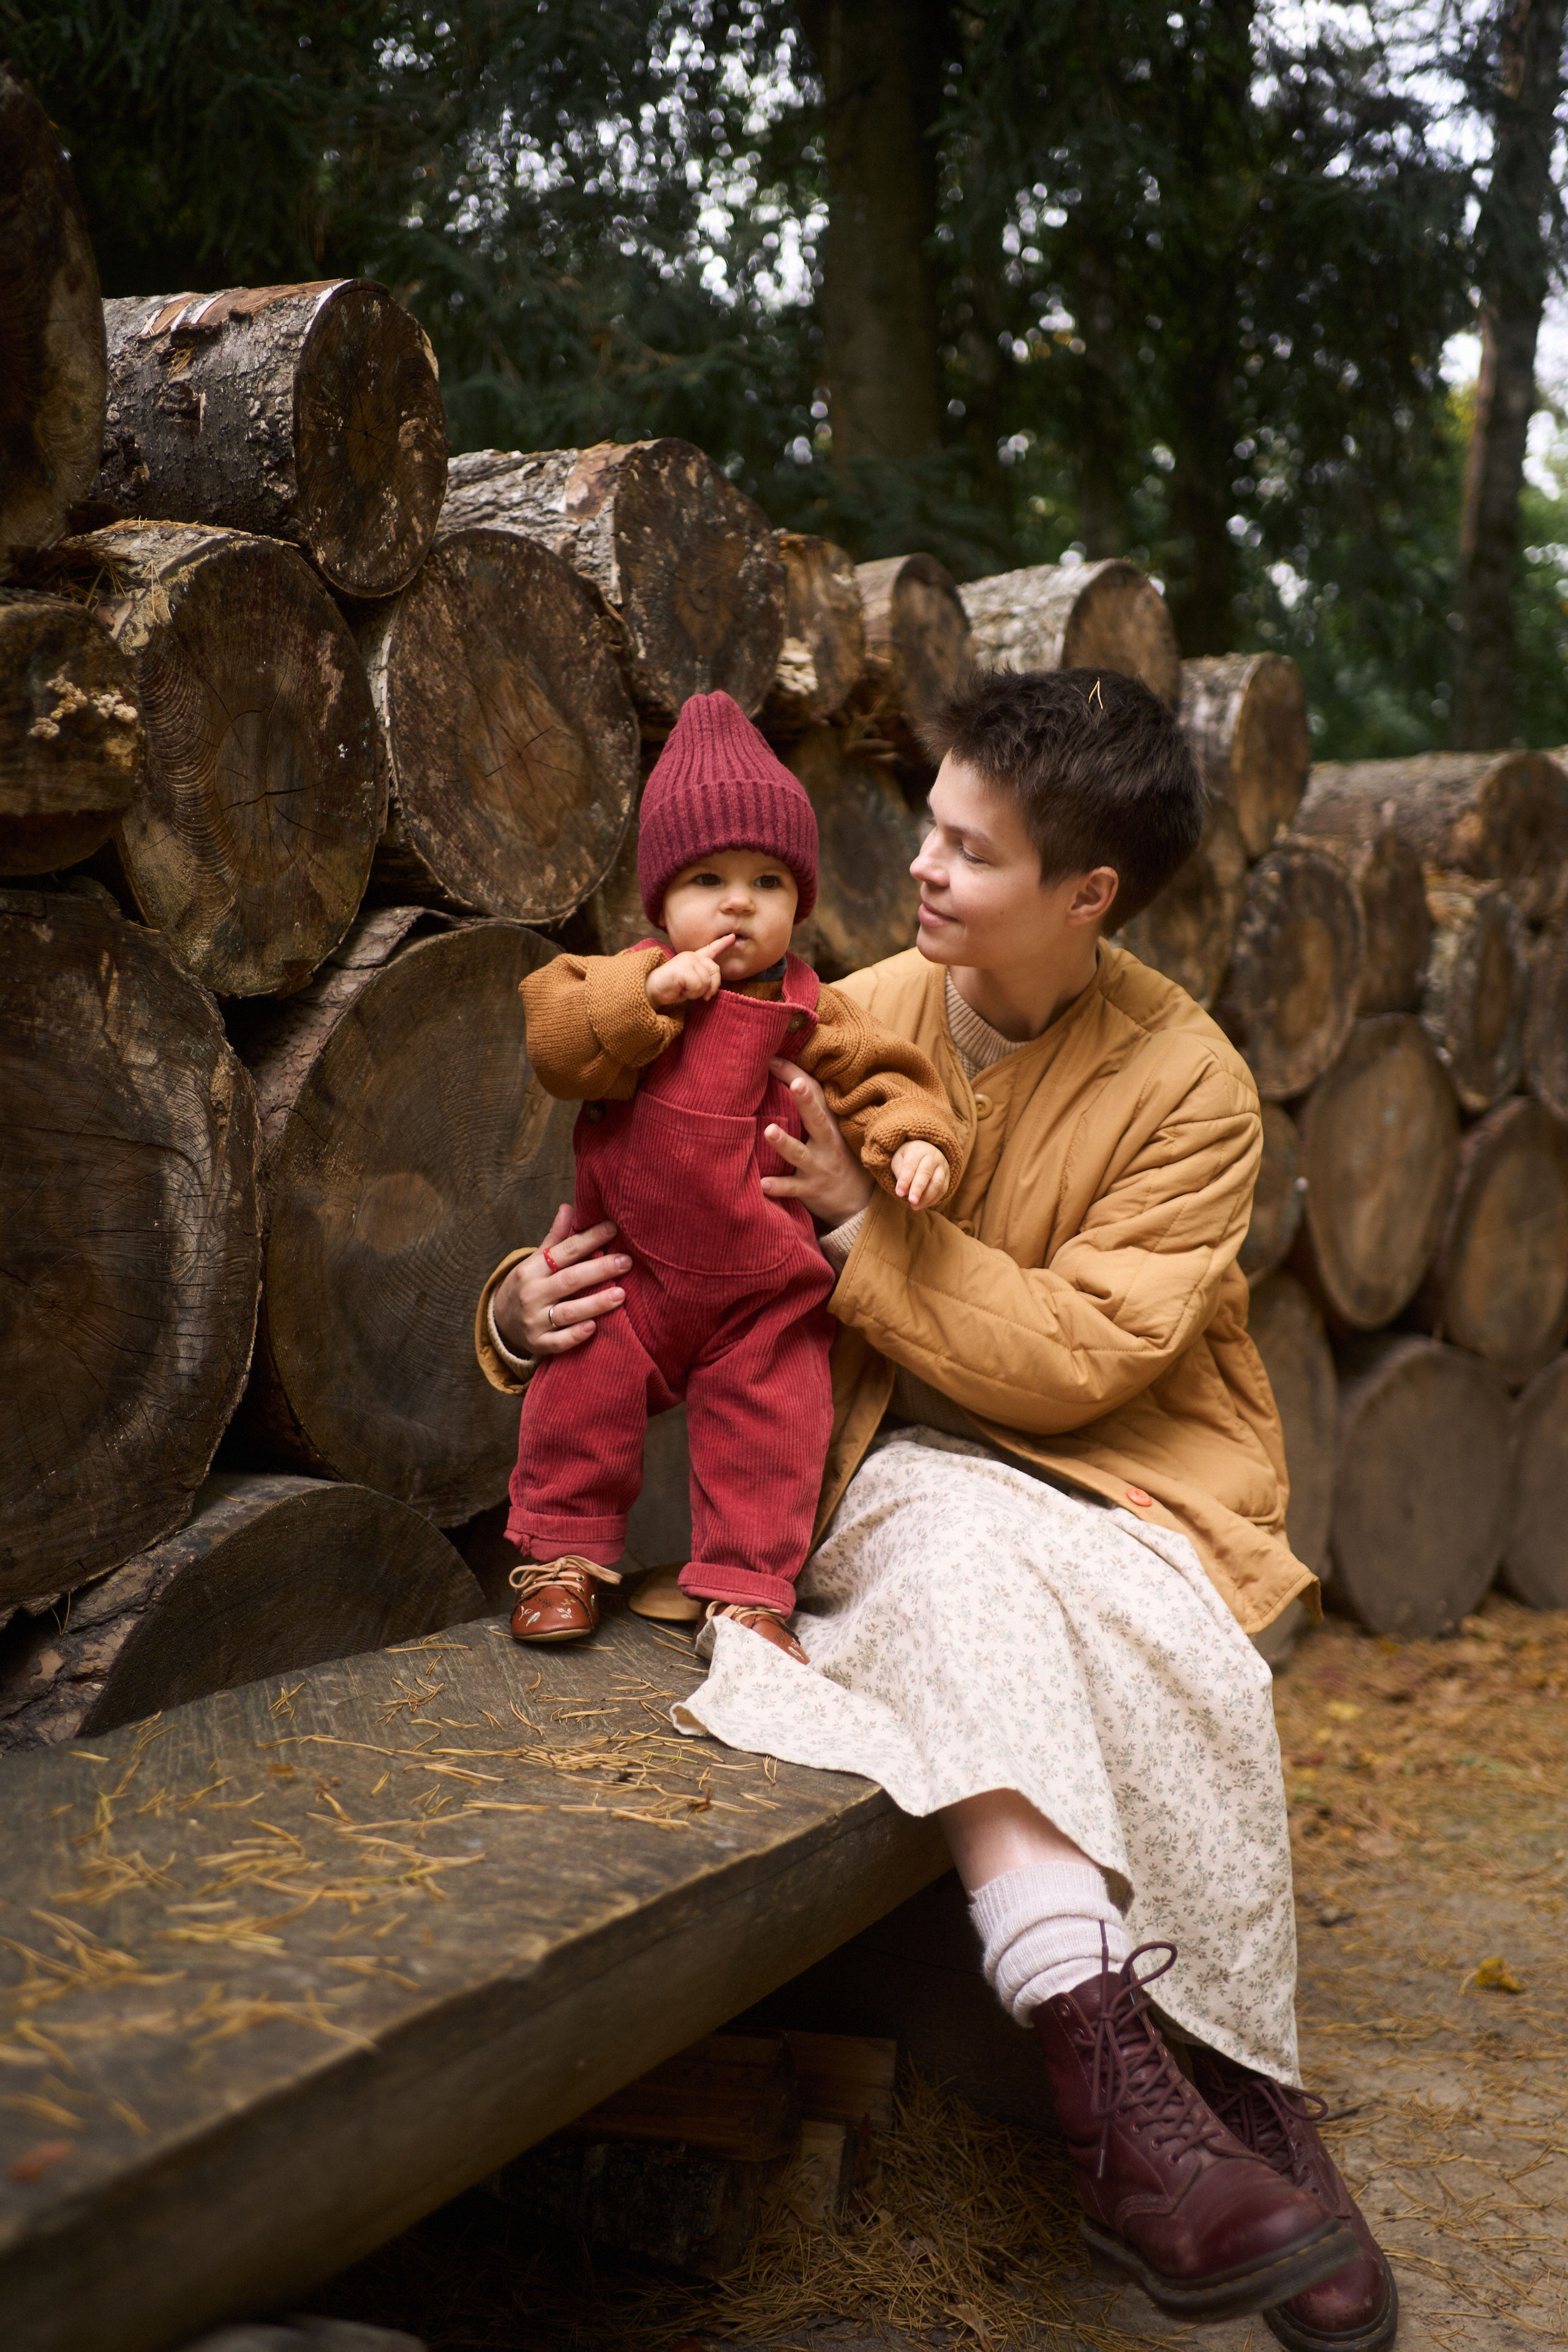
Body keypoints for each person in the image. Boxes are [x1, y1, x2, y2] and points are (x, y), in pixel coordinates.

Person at [475, 668, 1396, 2347]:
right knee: (956, 1547)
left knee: (1159, 1640)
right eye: (931, 825)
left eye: (971, 852)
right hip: (876, 1465)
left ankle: (1236, 2104)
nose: (920, 867)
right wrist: (515, 1312)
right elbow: (647, 1202)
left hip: (1119, 1476)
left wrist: (856, 1231)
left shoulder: (1192, 1089)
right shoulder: (824, 999)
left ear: (1086, 895)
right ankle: (1147, 2120)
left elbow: (1087, 1358)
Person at [500, 690, 962, 1657]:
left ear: (802, 903)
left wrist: (915, 1139)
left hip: (762, 1288)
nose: (738, 903)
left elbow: (887, 1078)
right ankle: (563, 1559)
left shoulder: (811, 1009)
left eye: (768, 882)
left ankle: (748, 1594)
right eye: (707, 878)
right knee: (581, 1394)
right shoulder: (625, 984)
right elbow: (557, 1039)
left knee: (774, 1427)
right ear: (659, 903)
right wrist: (649, 991)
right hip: (632, 1274)